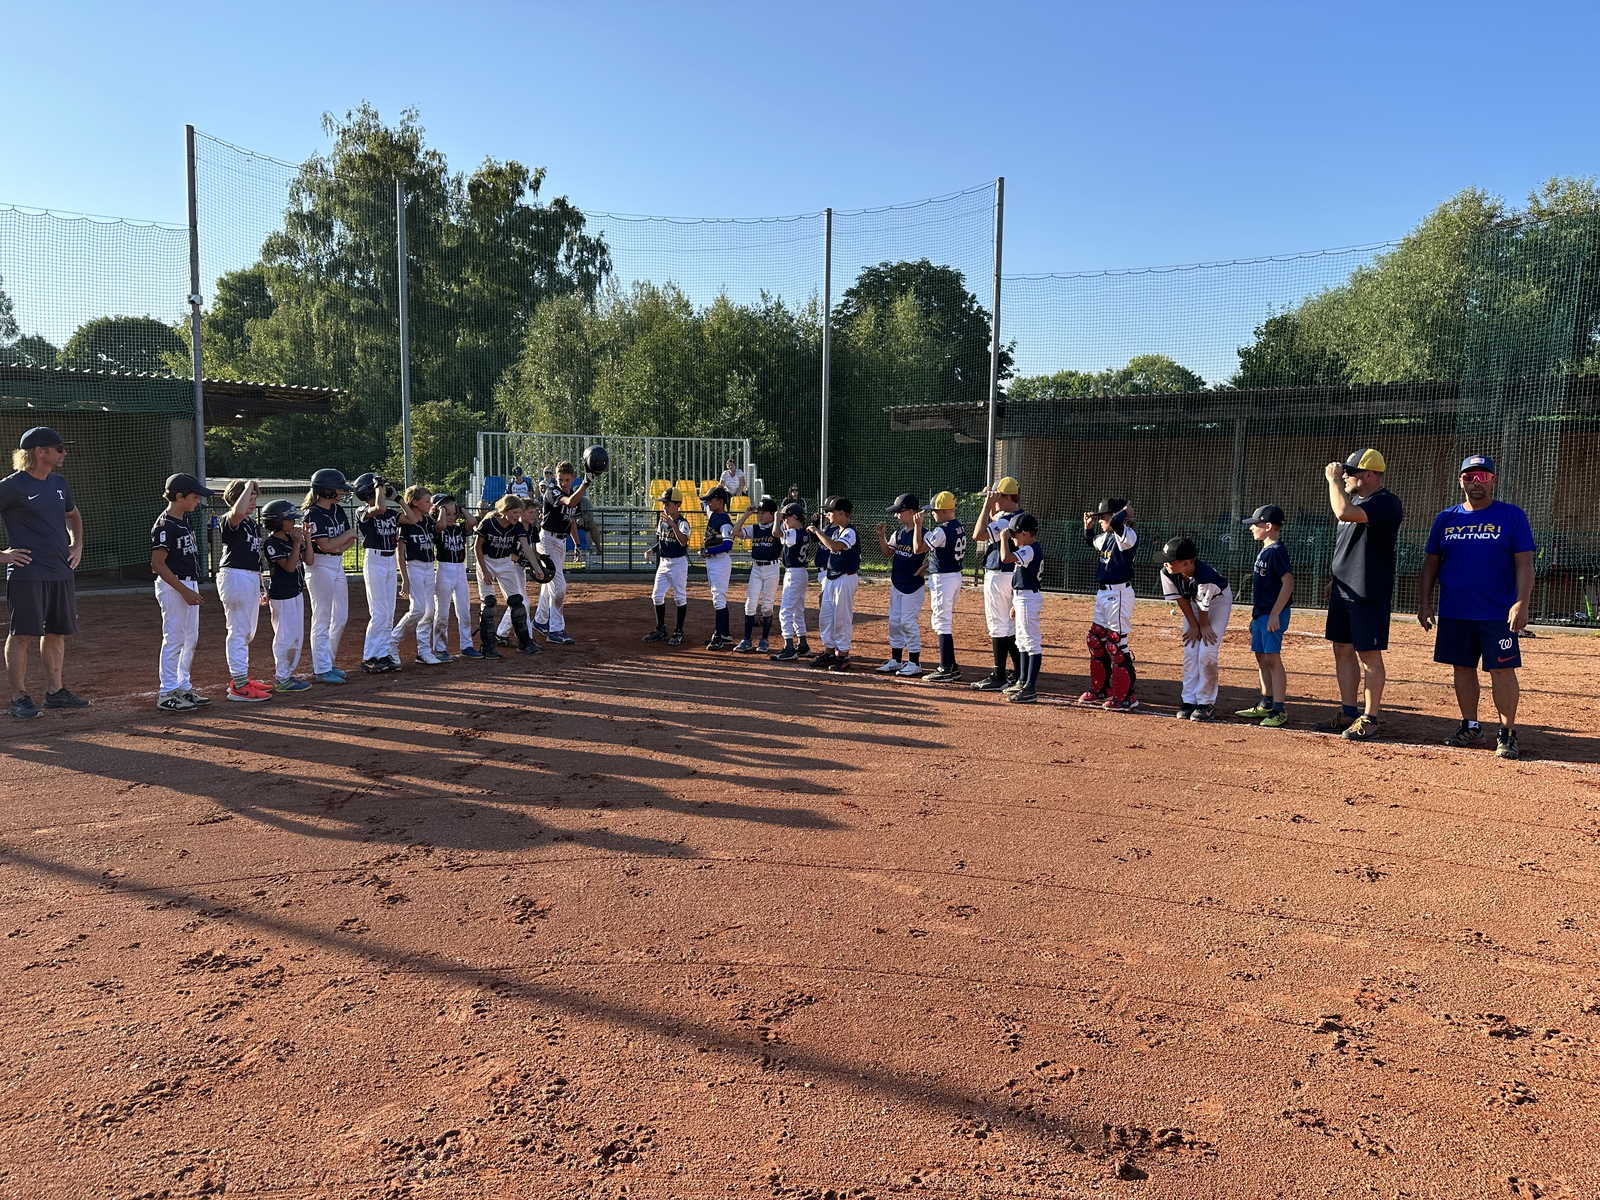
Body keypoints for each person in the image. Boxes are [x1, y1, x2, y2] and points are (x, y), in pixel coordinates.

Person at [1417, 454, 1535, 761]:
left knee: (1502, 670)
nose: (1476, 482)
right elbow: (1431, 563)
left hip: (1497, 612)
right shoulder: (1446, 518)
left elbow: (1524, 563)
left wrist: (1521, 602)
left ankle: (1507, 732)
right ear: (1461, 481)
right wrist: (1425, 602)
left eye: (1483, 476)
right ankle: (1470, 726)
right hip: (1455, 611)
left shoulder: (1511, 516)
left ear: (1493, 480)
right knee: (1462, 668)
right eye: (1469, 477)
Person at [1, 426, 88, 719]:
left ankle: (55, 692)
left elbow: (73, 515)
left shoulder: (59, 483)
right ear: (41, 452)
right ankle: (19, 697)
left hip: (60, 570)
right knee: (23, 634)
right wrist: (3, 555)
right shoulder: (11, 486)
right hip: (28, 572)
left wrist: (77, 545)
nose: (65, 453)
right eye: (59, 448)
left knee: (56, 631)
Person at [1321, 449, 1404, 741]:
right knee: (1342, 649)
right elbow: (1348, 543)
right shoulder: (1355, 501)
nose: (1345, 476)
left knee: (1368, 655)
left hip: (1368, 590)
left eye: (1350, 473)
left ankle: (1370, 717)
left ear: (1369, 475)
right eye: (1343, 473)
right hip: (1344, 588)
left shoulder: (1386, 502)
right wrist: (1335, 579)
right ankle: (1348, 711)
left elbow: (1342, 512)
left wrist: (1332, 480)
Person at [150, 473, 214, 712]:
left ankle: (182, 687)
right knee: (174, 638)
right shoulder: (165, 525)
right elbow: (158, 564)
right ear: (179, 496)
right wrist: (184, 590)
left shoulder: (183, 520)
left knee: (190, 639)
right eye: (195, 497)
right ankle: (167, 692)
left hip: (187, 584)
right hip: (174, 586)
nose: (198, 501)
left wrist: (189, 589)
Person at [1159, 536, 1233, 721]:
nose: (1166, 563)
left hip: (1218, 603)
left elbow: (1204, 607)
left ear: (1187, 563)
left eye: (1171, 560)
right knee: (1191, 650)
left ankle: (1206, 703)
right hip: (1193, 604)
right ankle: (1189, 700)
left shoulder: (1205, 577)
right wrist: (1193, 625)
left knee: (1207, 651)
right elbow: (1180, 598)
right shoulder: (1167, 572)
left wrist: (1203, 626)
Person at [1234, 505, 1294, 728]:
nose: (1251, 528)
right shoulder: (1266, 549)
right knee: (1261, 657)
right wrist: (1256, 616)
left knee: (1272, 659)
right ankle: (1266, 702)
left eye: (1255, 524)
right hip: (1261, 614)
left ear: (1268, 526)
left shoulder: (1276, 551)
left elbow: (1288, 583)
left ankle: (1279, 709)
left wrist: (1275, 614)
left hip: (1272, 615)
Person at [1079, 497, 1140, 711]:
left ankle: (1127, 696)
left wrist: (1125, 512)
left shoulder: (1127, 536)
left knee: (1117, 644)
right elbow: (1091, 541)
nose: (1101, 521)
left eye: (1103, 517)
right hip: (1103, 594)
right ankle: (1101, 688)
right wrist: (1088, 528)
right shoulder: (1106, 537)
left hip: (1119, 593)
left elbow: (1115, 523)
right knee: (1095, 639)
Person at [216, 479, 272, 702]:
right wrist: (248, 485)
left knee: (248, 631)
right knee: (239, 631)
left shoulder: (251, 524)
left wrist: (261, 586)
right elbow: (236, 513)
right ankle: (239, 685)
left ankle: (241, 679)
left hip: (249, 577)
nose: (252, 502)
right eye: (249, 498)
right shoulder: (229, 519)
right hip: (235, 575)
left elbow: (255, 557)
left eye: (254, 498)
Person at [970, 477, 1026, 691]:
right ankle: (1019, 672)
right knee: (1010, 626)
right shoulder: (1018, 517)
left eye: (998, 496)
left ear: (1008, 497)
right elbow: (996, 517)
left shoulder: (1005, 522)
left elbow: (978, 534)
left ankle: (998, 675)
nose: (995, 500)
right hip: (1012, 574)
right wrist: (992, 504)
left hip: (999, 575)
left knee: (998, 625)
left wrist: (986, 505)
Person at [302, 468, 356, 685]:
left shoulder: (337, 510)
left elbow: (346, 542)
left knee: (340, 616)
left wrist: (338, 545)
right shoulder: (313, 513)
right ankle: (321, 668)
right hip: (320, 566)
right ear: (325, 490)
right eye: (338, 489)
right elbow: (325, 545)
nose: (341, 493)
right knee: (322, 617)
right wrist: (343, 539)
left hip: (336, 562)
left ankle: (328, 661)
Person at [260, 499, 313, 692]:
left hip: (295, 593)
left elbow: (310, 560)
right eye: (289, 519)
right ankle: (282, 677)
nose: (293, 523)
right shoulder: (271, 543)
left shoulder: (291, 539)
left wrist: (307, 539)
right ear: (277, 522)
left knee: (296, 637)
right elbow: (290, 567)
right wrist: (298, 543)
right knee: (285, 637)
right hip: (282, 596)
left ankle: (287, 675)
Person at [475, 495, 538, 655]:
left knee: (517, 601)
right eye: (514, 512)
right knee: (489, 604)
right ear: (505, 511)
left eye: (519, 512)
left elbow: (526, 547)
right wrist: (484, 571)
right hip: (487, 561)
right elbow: (477, 547)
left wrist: (537, 567)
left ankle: (524, 643)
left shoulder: (516, 526)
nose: (517, 516)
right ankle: (488, 647)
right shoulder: (488, 523)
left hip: (505, 562)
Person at [915, 490, 967, 683]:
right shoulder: (958, 526)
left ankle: (945, 668)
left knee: (942, 622)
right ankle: (951, 666)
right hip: (954, 576)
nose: (932, 514)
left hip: (944, 579)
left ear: (944, 511)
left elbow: (918, 548)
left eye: (935, 511)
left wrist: (918, 526)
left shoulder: (941, 530)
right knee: (944, 621)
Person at [534, 461, 588, 645]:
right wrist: (585, 484)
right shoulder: (552, 492)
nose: (563, 483)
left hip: (560, 542)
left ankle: (540, 621)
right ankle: (556, 629)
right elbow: (569, 502)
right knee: (559, 587)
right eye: (560, 480)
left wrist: (577, 544)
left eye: (567, 480)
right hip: (547, 540)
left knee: (548, 583)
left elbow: (571, 521)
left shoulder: (574, 495)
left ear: (573, 478)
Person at [353, 472, 402, 674]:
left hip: (390, 560)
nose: (383, 489)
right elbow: (378, 508)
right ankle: (370, 656)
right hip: (374, 560)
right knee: (379, 612)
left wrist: (398, 498)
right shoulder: (362, 510)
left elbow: (412, 518)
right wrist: (378, 487)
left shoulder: (390, 512)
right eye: (380, 487)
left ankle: (383, 653)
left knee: (389, 611)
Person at [391, 484, 443, 665]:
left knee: (430, 611)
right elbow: (400, 553)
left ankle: (424, 651)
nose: (430, 504)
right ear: (414, 502)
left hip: (429, 567)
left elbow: (441, 526)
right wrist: (404, 579)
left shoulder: (428, 521)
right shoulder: (406, 523)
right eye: (426, 501)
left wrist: (442, 511)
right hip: (414, 567)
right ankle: (392, 642)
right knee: (418, 609)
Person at [876, 493, 927, 677]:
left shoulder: (924, 532)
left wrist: (927, 565)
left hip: (913, 586)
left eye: (900, 511)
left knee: (908, 623)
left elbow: (936, 553)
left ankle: (914, 662)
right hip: (897, 583)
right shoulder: (898, 533)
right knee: (894, 622)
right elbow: (888, 553)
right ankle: (896, 660)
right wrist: (882, 537)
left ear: (912, 512)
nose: (896, 515)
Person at [999, 512, 1045, 703]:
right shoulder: (1027, 548)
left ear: (1025, 533)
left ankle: (1030, 688)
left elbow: (1005, 558)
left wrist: (1003, 539)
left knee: (1031, 642)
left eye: (1014, 534)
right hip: (1022, 597)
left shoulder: (1029, 549)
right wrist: (1014, 604)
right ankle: (1022, 681)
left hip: (1028, 598)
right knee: (1022, 642)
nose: (1012, 537)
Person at [810, 497, 860, 672]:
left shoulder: (850, 532)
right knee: (826, 617)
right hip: (832, 577)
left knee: (841, 618)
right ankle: (829, 652)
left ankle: (843, 655)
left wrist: (817, 531)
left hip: (845, 578)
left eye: (830, 511)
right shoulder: (836, 530)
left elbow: (835, 547)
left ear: (842, 513)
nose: (827, 514)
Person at [429, 495, 478, 660]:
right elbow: (441, 525)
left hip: (460, 571)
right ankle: (440, 648)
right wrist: (442, 511)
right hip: (444, 570)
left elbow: (473, 522)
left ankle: (467, 645)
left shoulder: (459, 529)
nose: (451, 517)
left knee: (464, 611)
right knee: (442, 613)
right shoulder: (437, 528)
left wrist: (461, 509)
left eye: (454, 514)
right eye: (447, 514)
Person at [644, 487, 691, 645]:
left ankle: (679, 631)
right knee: (657, 596)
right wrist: (652, 550)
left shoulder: (682, 523)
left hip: (678, 563)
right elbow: (662, 541)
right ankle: (661, 629)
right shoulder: (662, 521)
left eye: (668, 504)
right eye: (664, 503)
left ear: (677, 505)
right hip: (663, 563)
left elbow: (683, 541)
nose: (664, 506)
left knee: (680, 597)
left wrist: (673, 525)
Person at [733, 497, 780, 653]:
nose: (760, 515)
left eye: (763, 512)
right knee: (750, 604)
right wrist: (746, 515)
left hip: (772, 568)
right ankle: (746, 639)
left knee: (767, 605)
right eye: (758, 512)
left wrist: (777, 518)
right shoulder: (755, 528)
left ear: (772, 514)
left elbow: (778, 533)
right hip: (756, 568)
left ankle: (764, 640)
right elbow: (735, 532)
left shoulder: (777, 528)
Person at [769, 502, 814, 662]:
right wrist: (781, 518)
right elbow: (781, 533)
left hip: (794, 574)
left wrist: (776, 518)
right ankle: (803, 645)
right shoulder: (802, 532)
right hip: (800, 573)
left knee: (785, 611)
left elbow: (775, 532)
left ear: (795, 517)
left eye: (786, 517)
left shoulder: (793, 533)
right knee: (797, 611)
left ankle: (789, 648)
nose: (784, 521)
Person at [701, 486, 737, 649]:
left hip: (720, 561)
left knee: (718, 599)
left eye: (711, 500)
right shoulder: (713, 514)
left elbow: (728, 545)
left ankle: (720, 635)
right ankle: (725, 634)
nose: (708, 503)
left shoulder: (725, 522)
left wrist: (709, 551)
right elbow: (704, 504)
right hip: (713, 562)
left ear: (720, 502)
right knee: (718, 597)